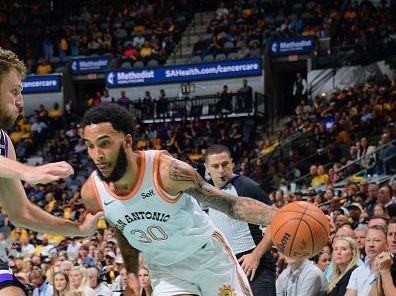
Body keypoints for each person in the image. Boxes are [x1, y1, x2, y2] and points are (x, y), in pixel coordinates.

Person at [80, 103, 279, 295]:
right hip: (166, 270)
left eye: (105, 144)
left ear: (127, 141)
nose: (97, 155)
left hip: (208, 257)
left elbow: (231, 205)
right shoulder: (92, 192)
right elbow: (124, 232)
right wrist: (132, 277)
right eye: (90, 146)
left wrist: (280, 215)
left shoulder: (167, 171)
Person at [0, 47, 102, 296]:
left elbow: (21, 212)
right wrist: (27, 172)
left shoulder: (3, 141)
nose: (20, 100)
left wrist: (78, 229)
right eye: (14, 91)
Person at [205, 144, 276, 295]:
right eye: (215, 166)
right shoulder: (207, 194)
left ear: (231, 162)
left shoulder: (246, 187)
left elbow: (277, 221)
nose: (221, 170)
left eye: (224, 164)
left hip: (255, 264)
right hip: (228, 267)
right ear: (207, 167)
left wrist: (256, 255)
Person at [345, 225, 390, 296]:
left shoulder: (391, 270)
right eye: (368, 240)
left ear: (387, 244)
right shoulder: (357, 272)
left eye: (376, 240)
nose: (371, 245)